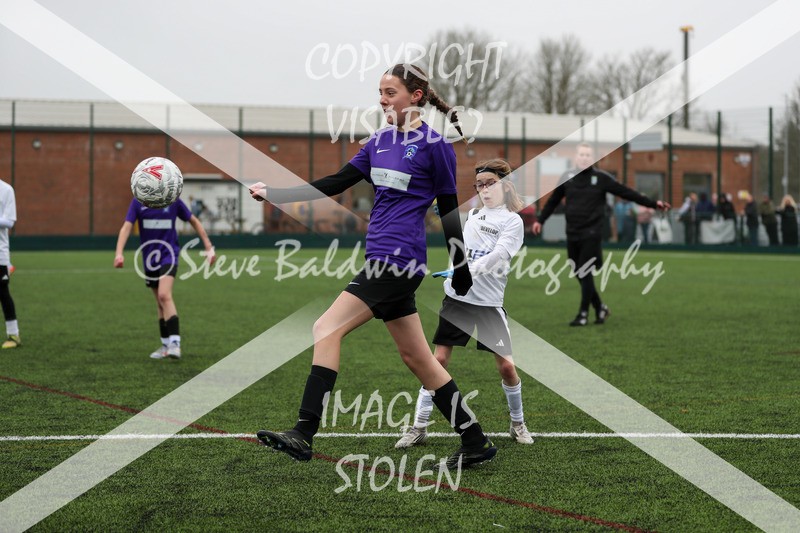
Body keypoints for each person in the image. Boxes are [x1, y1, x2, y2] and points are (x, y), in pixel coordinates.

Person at [248, 63, 497, 469]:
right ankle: (475, 441)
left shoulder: (436, 146)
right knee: (418, 358)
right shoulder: (377, 142)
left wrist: (461, 265)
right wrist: (276, 193)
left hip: (397, 262)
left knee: (325, 327)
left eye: (390, 92)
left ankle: (304, 432)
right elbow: (335, 182)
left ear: (415, 97)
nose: (382, 99)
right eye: (380, 92)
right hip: (382, 258)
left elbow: (450, 210)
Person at [395, 159, 533, 449]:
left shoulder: (513, 221)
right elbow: (462, 243)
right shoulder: (471, 215)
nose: (484, 189)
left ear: (505, 185)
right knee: (438, 361)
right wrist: (448, 221)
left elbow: (498, 256)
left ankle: (517, 423)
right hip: (457, 299)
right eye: (480, 185)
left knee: (507, 368)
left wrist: (466, 270)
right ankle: (419, 425)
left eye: (490, 183)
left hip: (488, 304)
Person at [532, 143, 670, 326]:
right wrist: (540, 220)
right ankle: (600, 308)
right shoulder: (567, 177)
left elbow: (627, 193)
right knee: (578, 272)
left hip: (592, 232)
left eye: (588, 155)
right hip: (572, 232)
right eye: (581, 154)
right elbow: (552, 201)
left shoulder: (602, 178)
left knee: (584, 269)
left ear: (593, 159)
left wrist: (653, 204)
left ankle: (583, 314)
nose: (584, 157)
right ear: (576, 157)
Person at [114, 197, 215, 360]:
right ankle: (165, 345)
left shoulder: (172, 199)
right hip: (149, 258)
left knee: (164, 295)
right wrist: (119, 253)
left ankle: (175, 344)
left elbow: (193, 220)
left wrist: (208, 247)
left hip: (169, 255)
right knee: (159, 303)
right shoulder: (138, 201)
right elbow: (127, 227)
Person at [0, 179, 20, 349]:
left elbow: (9, 222)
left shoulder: (6, 190)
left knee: (2, 291)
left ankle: (13, 335)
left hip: (0, 253)